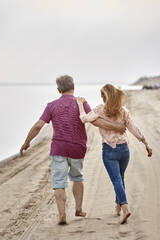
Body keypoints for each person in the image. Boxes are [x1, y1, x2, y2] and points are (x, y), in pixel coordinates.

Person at [20, 75, 126, 225]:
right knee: (77, 177)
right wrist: (117, 127)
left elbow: (38, 126)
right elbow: (95, 120)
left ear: (58, 90)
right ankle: (78, 209)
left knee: (59, 182)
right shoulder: (81, 103)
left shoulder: (51, 105)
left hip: (59, 148)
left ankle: (62, 215)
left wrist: (26, 142)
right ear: (74, 86)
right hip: (78, 148)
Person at [77, 84, 152, 224]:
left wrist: (80, 103)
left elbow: (83, 119)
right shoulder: (123, 111)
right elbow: (133, 128)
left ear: (104, 97)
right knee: (120, 178)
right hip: (124, 150)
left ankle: (125, 208)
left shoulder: (100, 109)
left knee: (116, 180)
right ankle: (118, 206)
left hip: (109, 150)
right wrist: (145, 143)